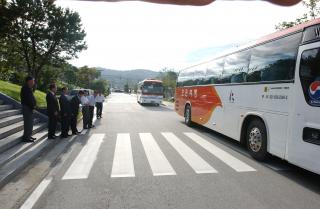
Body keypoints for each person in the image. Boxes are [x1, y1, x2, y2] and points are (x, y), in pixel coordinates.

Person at [20, 76, 37, 143]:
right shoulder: (25, 88)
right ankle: (26, 137)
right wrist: (33, 106)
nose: (34, 82)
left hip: (29, 108)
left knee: (30, 123)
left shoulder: (29, 88)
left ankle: (29, 135)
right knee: (28, 123)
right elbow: (28, 100)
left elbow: (31, 99)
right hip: (27, 108)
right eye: (33, 81)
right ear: (29, 81)